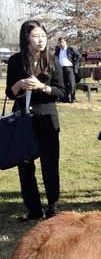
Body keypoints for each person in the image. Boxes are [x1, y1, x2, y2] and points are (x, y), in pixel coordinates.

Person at [5, 20, 65, 221]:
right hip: (23, 120)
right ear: (26, 39)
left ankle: (53, 207)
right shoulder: (15, 61)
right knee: (25, 164)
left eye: (43, 36)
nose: (41, 40)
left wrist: (42, 87)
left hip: (47, 117)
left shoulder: (53, 60)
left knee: (50, 163)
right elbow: (9, 93)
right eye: (36, 36)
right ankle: (33, 209)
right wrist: (20, 84)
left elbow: (62, 91)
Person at [54, 37, 81, 103]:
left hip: (69, 68)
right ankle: (65, 98)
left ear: (65, 42)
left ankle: (73, 98)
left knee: (72, 84)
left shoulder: (70, 49)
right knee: (63, 84)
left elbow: (79, 56)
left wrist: (75, 65)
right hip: (61, 69)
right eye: (59, 42)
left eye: (62, 42)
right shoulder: (58, 50)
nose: (61, 43)